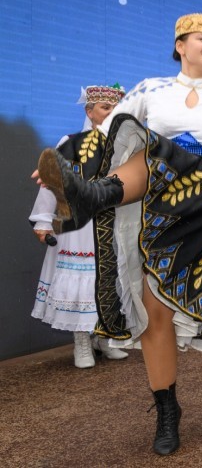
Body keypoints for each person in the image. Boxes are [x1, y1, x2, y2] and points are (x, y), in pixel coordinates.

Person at [34, 13, 202, 456]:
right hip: (159, 203)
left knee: (155, 151)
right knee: (156, 313)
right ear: (180, 45)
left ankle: (93, 195)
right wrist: (64, 166)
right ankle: (167, 407)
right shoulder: (151, 88)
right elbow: (105, 132)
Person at [30, 84, 129, 368]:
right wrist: (43, 219)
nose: (112, 114)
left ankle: (103, 337)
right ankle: (82, 340)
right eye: (106, 108)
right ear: (89, 111)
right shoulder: (72, 143)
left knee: (110, 279)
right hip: (80, 227)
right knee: (85, 280)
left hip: (113, 222)